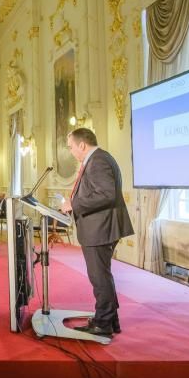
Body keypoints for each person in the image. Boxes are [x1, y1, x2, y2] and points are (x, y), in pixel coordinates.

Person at [60, 128, 133, 337]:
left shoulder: (98, 161)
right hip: (101, 226)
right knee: (102, 275)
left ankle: (103, 323)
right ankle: (110, 320)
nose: (71, 151)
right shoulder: (99, 159)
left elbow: (106, 194)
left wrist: (73, 204)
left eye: (71, 147)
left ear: (82, 145)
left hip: (100, 228)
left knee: (99, 277)